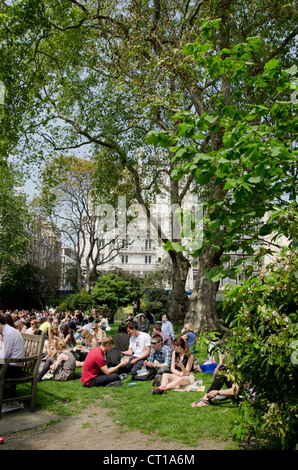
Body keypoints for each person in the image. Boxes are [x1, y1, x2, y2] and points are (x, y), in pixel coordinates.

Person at [0, 314, 25, 378]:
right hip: (10, 365)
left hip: (13, 369)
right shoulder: (9, 331)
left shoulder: (9, 333)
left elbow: (3, 356)